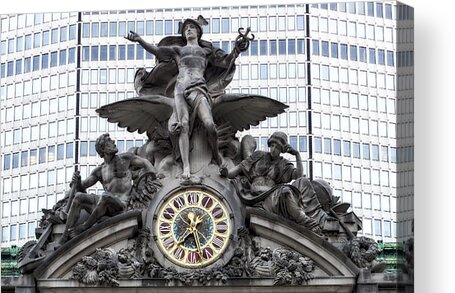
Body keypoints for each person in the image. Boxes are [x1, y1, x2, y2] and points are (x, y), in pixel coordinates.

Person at [126, 17, 249, 179]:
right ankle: (186, 167)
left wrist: (236, 51)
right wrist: (140, 40)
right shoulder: (178, 50)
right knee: (183, 125)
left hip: (199, 89)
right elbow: (157, 51)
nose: (188, 30)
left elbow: (225, 62)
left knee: (210, 125)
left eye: (191, 27)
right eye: (186, 28)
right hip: (180, 89)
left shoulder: (206, 52)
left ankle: (215, 155)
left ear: (198, 32)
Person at [59, 133, 156, 243]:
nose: (113, 142)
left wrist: (154, 175)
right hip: (104, 207)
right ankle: (65, 236)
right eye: (109, 141)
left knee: (105, 197)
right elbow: (83, 186)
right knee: (78, 197)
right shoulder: (99, 171)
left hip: (121, 205)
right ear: (103, 149)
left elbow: (145, 162)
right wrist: (77, 181)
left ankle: (84, 227)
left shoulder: (125, 159)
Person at [220, 131, 324, 232]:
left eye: (277, 147)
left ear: (282, 149)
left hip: (272, 197)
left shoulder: (284, 163)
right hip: (253, 195)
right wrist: (227, 173)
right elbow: (239, 168)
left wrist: (297, 155)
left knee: (286, 192)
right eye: (272, 145)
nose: (273, 149)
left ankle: (307, 222)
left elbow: (299, 176)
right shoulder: (259, 155)